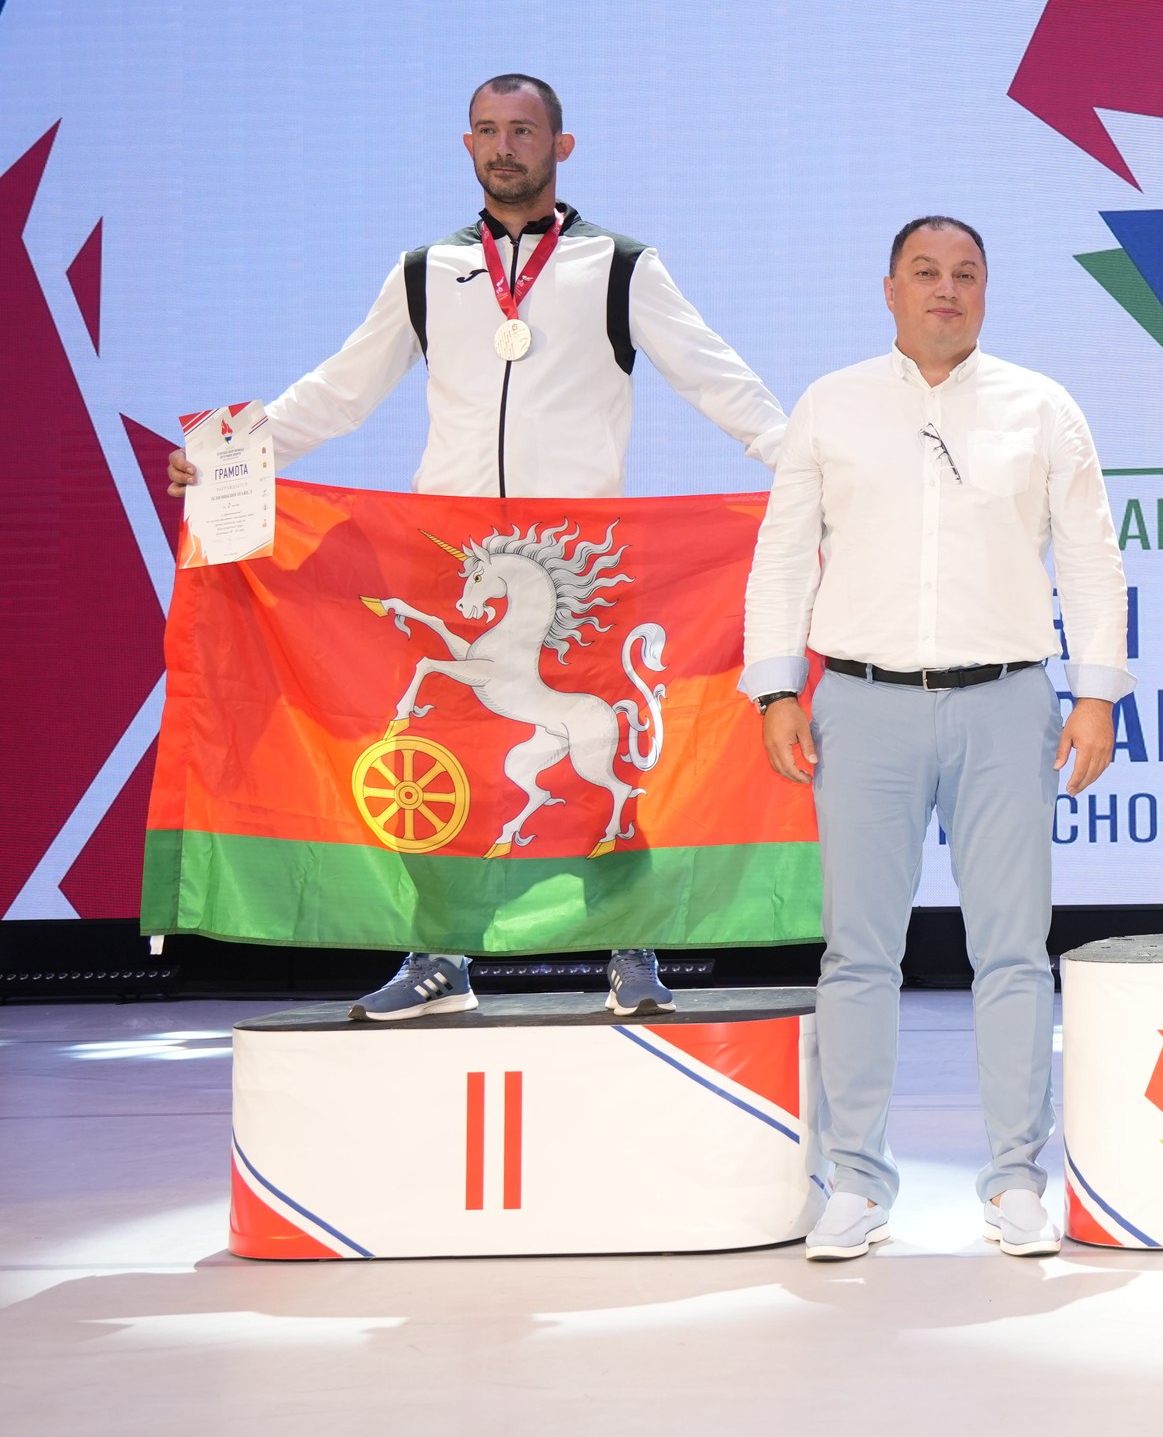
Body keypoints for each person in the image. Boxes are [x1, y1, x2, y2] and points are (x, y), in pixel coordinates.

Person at [168, 74, 787, 1021]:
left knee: (600, 755)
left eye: (524, 131)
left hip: (577, 554)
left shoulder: (619, 264)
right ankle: (439, 959)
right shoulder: (427, 270)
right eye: (489, 131)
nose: (506, 147)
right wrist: (233, 455)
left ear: (561, 146)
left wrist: (800, 464)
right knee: (447, 753)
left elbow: (716, 377)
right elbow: (341, 389)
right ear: (467, 145)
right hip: (455, 558)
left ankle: (630, 951)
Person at [743, 216, 1127, 1261]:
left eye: (965, 274)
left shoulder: (1041, 407)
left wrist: (1096, 693)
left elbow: (1091, 559)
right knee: (858, 952)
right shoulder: (831, 404)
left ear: (986, 292)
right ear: (890, 289)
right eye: (925, 273)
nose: (945, 290)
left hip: (1006, 701)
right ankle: (855, 1181)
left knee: (1013, 952)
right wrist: (774, 687)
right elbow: (783, 557)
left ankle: (1015, 1179)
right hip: (860, 703)